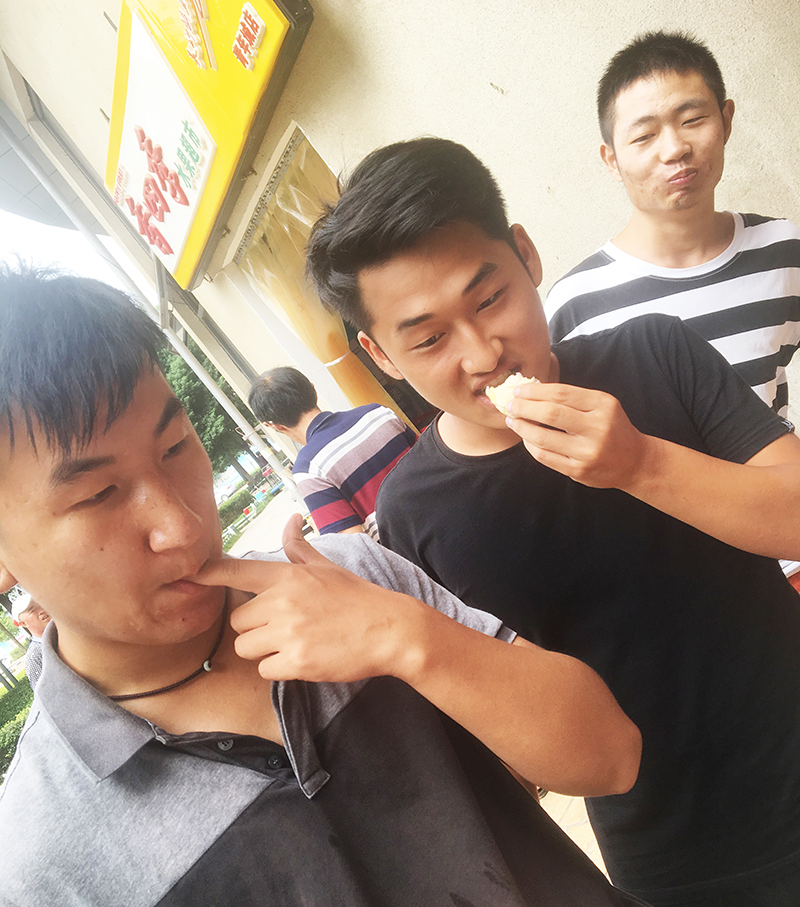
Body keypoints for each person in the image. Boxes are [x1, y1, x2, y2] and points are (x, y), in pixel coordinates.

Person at [0, 266, 645, 906]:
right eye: (98, 494)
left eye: (174, 448)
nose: (182, 525)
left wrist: (410, 639)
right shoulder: (41, 862)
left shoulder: (348, 575)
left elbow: (611, 756)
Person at [304, 136, 800, 907]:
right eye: (429, 339)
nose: (483, 354)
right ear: (382, 356)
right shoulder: (415, 513)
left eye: (489, 300)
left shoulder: (654, 351)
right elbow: (519, 750)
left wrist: (641, 464)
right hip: (680, 863)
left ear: (527, 256)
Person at [545, 31, 800, 419]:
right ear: (612, 160)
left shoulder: (783, 250)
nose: (675, 149)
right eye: (644, 136)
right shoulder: (576, 303)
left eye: (692, 120)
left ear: (726, 121)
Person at [248, 365, 415, 539]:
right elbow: (430, 460)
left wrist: (323, 534)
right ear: (313, 390)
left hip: (408, 551)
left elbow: (353, 543)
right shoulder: (377, 413)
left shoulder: (308, 468)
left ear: (274, 426)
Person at [11, 592, 50, 690]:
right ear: (23, 623)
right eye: (32, 610)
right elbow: (44, 694)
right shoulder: (35, 656)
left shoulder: (69, 632)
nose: (42, 611)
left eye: (41, 605)